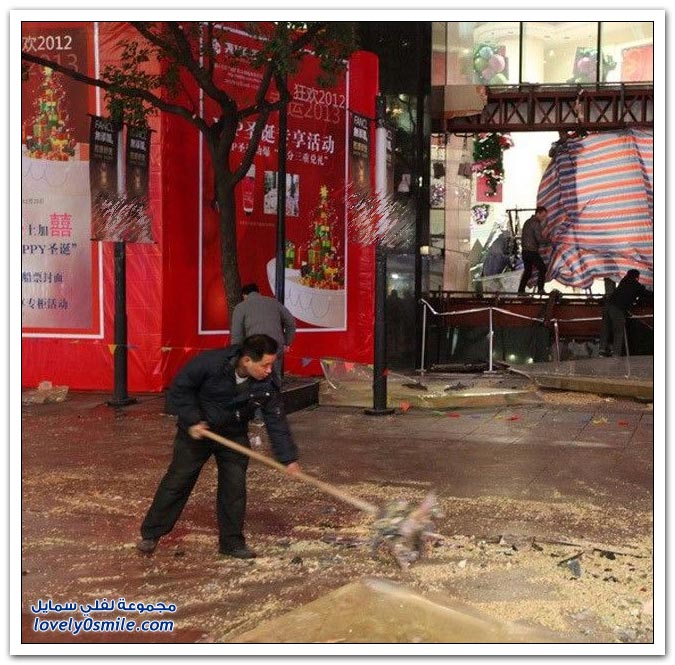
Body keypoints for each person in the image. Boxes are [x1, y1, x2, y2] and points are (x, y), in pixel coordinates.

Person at [136, 334, 301, 559]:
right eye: (265, 365)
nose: (269, 370)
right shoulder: (210, 363)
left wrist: (288, 458)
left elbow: (276, 419)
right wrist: (193, 419)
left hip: (233, 434)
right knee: (178, 481)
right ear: (247, 361)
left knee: (234, 488)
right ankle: (151, 534)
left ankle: (232, 543)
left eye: (271, 364)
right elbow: (180, 389)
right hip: (198, 431)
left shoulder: (266, 383)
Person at [230, 283, 296, 377]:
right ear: (259, 292)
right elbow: (291, 323)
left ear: (244, 295)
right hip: (276, 345)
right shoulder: (274, 303)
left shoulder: (240, 307)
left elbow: (237, 334)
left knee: (256, 378)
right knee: (275, 377)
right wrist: (286, 342)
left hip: (255, 347)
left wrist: (236, 356)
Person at [599, 269, 652, 357]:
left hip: (607, 306)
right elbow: (646, 294)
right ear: (637, 277)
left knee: (606, 328)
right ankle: (616, 353)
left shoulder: (623, 282)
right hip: (618, 309)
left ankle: (602, 350)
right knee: (618, 331)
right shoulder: (636, 285)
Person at [517, 206, 548, 294]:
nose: (543, 218)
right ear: (537, 214)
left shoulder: (527, 222)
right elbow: (539, 239)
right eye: (543, 216)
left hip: (525, 251)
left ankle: (521, 291)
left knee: (528, 272)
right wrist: (550, 241)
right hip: (531, 251)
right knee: (542, 268)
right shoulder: (535, 223)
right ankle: (540, 289)